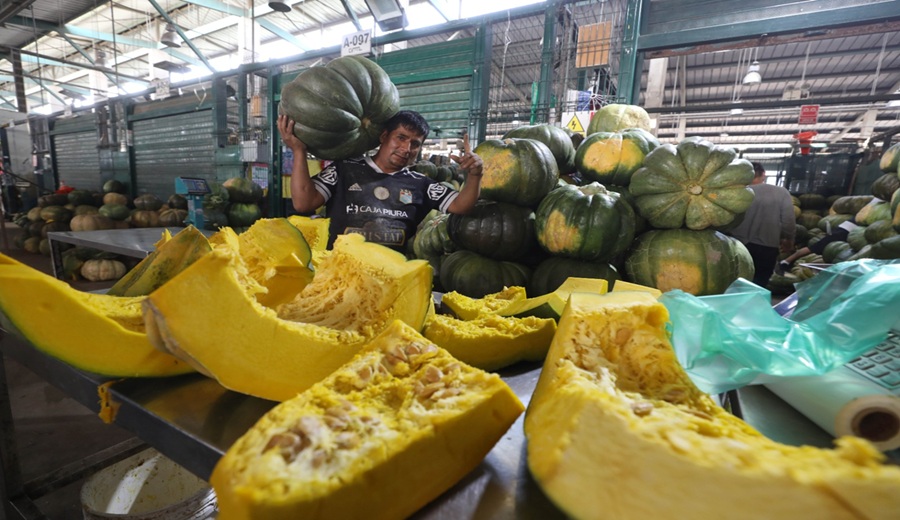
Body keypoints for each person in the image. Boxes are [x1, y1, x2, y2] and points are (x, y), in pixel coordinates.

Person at [277, 110, 483, 251]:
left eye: (415, 144)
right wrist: (298, 151)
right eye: (401, 138)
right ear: (384, 136)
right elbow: (303, 202)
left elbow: (461, 205)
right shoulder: (344, 169)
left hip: (390, 279)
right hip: (338, 275)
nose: (406, 149)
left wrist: (475, 175)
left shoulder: (421, 184)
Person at [728, 161, 796, 286]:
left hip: (738, 246)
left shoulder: (735, 193)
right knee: (760, 283)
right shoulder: (781, 192)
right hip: (767, 248)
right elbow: (788, 221)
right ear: (763, 174)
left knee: (735, 282)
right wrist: (788, 239)